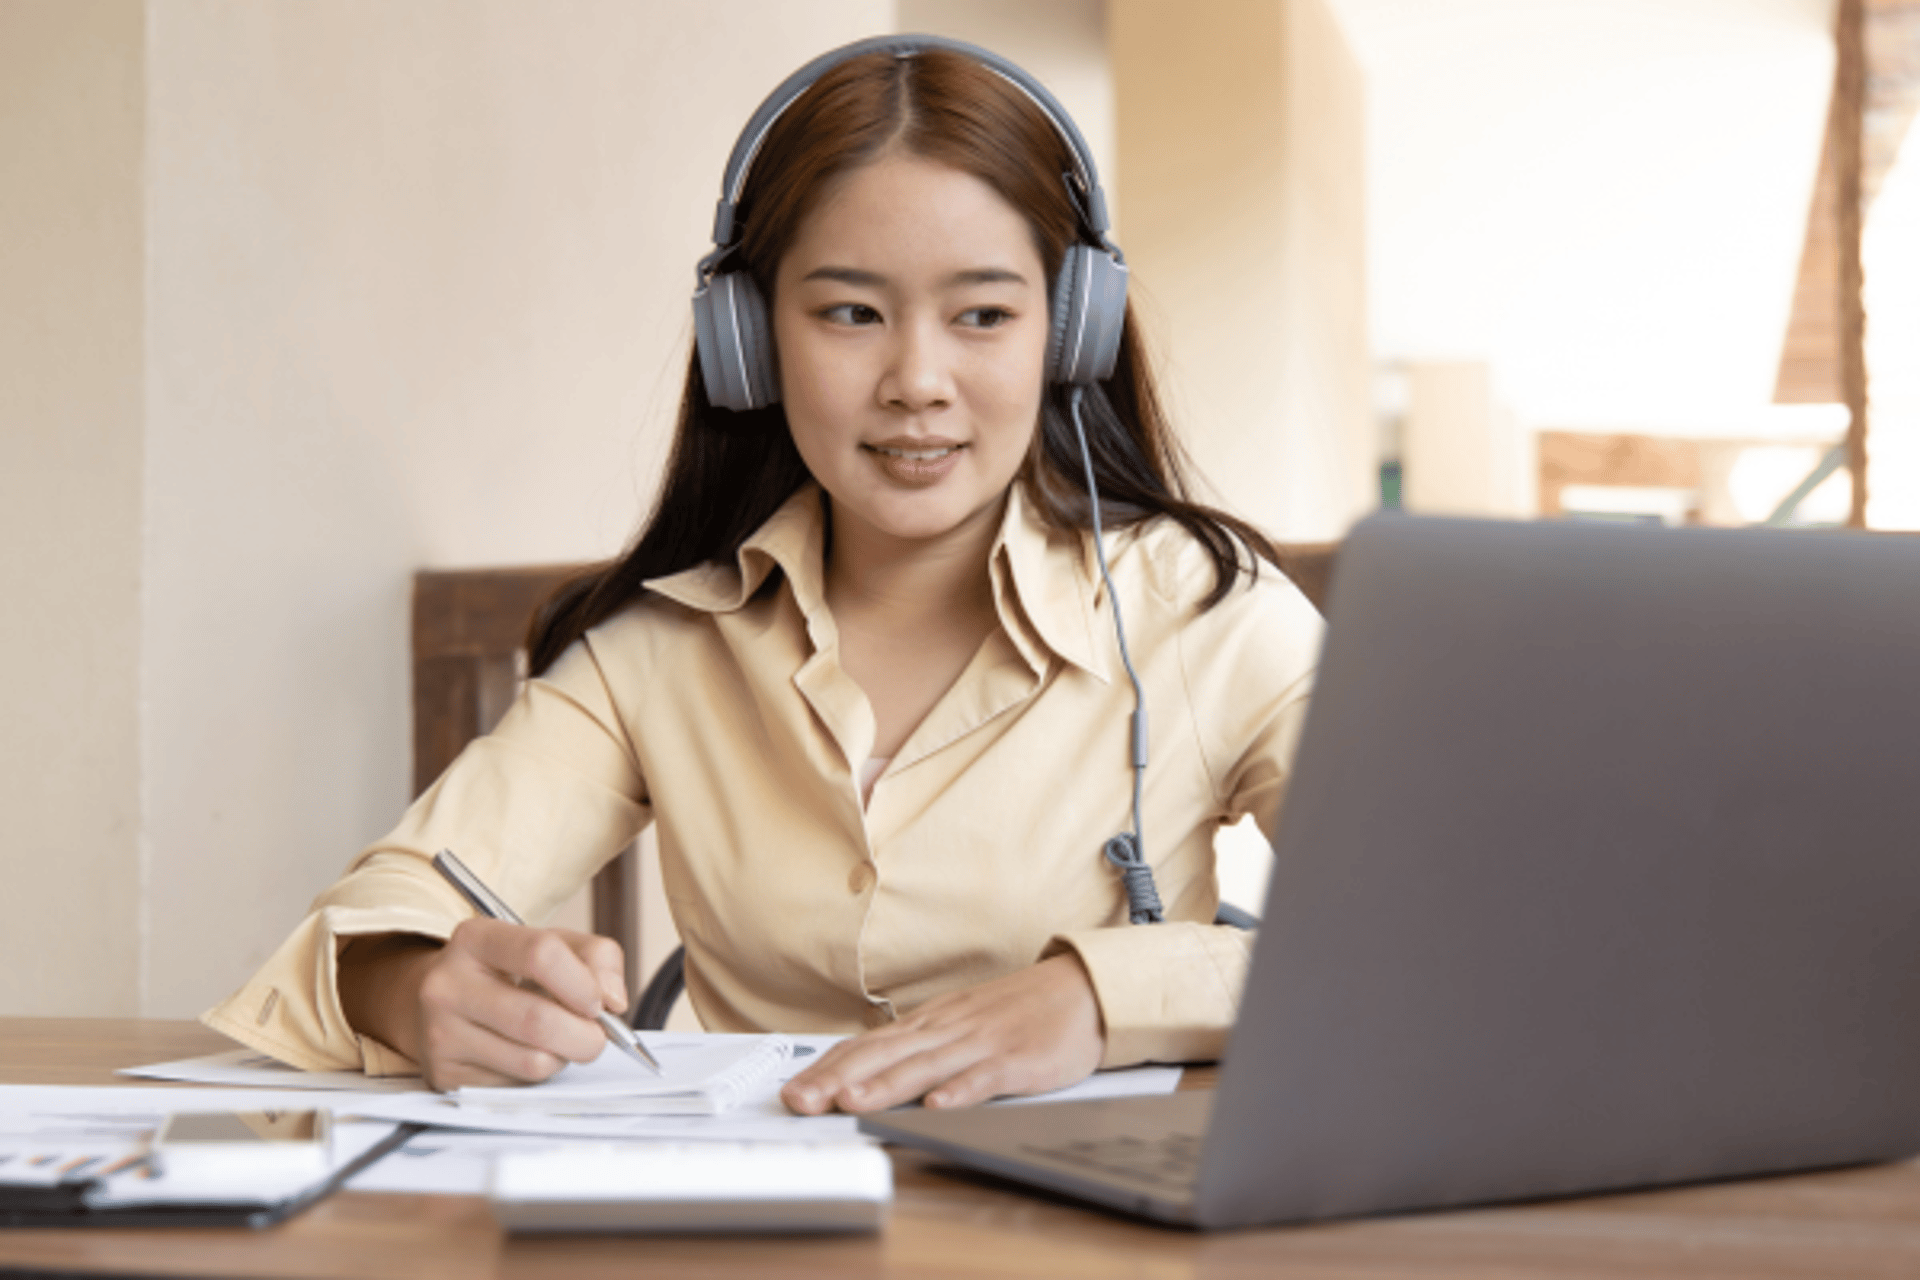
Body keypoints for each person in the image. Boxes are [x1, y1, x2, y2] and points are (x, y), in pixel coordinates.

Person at [203, 35, 1324, 1115]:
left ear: (1069, 332)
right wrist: (409, 987)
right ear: (750, 339)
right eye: (849, 312)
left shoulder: (1208, 616)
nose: (917, 380)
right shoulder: (662, 647)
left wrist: (1100, 993)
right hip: (750, 1227)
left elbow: (1435, 929)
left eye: (984, 314)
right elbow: (374, 917)